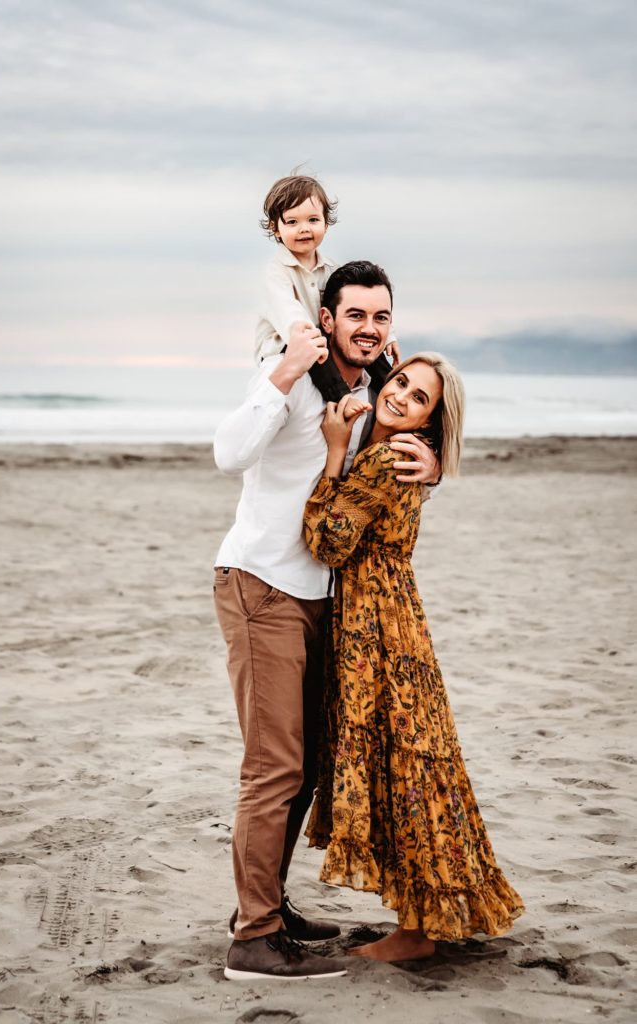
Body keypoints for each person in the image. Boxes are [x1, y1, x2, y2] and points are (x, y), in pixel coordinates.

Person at [213, 262, 441, 981]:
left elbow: (421, 412)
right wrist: (282, 372)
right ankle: (252, 938)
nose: (368, 329)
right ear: (327, 318)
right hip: (261, 583)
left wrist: (431, 465)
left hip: (321, 596)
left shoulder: (371, 389)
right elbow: (227, 453)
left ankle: (269, 909)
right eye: (354, 316)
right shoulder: (287, 378)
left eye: (380, 317)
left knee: (307, 765)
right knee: (273, 769)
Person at [303, 354, 525, 962]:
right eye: (399, 382)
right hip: (399, 621)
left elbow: (325, 542)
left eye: (419, 397)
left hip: (377, 628)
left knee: (401, 766)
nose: (400, 396)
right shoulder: (403, 455)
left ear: (430, 421)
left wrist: (331, 451)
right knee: (411, 763)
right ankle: (423, 918)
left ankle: (415, 934)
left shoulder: (382, 458)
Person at [255, 173, 400, 399]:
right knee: (315, 349)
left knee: (372, 353)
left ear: (326, 224)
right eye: (292, 222)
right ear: (276, 228)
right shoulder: (276, 272)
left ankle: (393, 393)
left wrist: (388, 335)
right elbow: (287, 311)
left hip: (320, 338)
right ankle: (341, 399)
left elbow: (359, 302)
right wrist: (307, 335)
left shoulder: (330, 268)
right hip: (285, 345)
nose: (304, 229)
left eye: (313, 220)